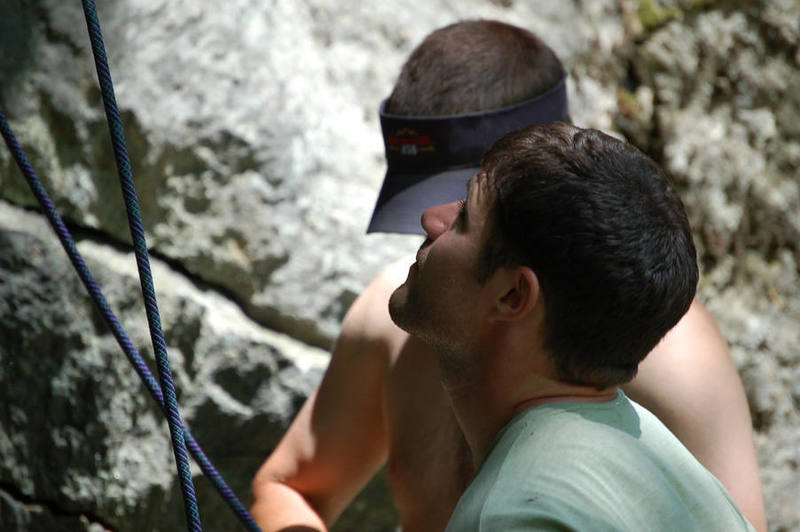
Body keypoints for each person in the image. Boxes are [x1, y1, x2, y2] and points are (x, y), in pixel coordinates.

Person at [251, 20, 766, 532]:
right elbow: (292, 489)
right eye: (419, 204)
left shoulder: (676, 357)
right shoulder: (397, 319)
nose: (431, 221)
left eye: (471, 205)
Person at [388, 121, 754, 530]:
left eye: (462, 219)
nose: (430, 218)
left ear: (512, 296)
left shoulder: (520, 517)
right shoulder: (676, 474)